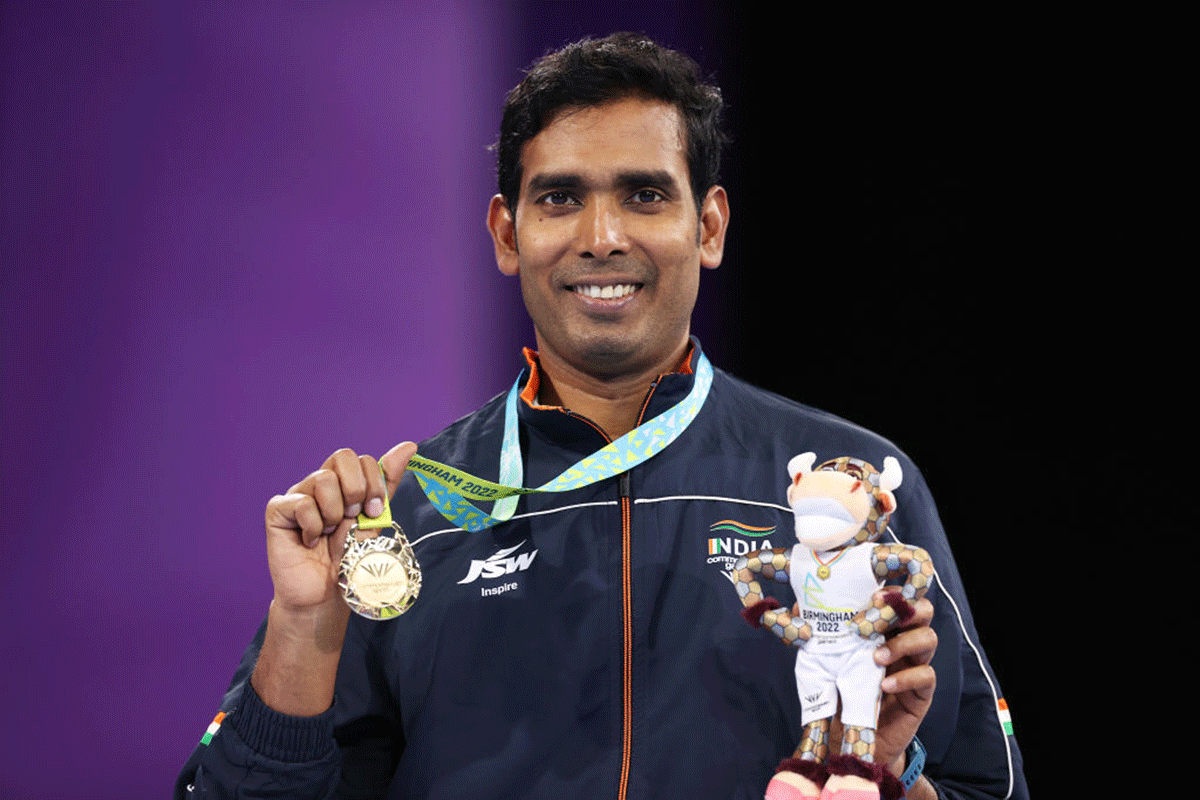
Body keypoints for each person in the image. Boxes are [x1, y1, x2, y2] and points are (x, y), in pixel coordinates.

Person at [177, 33, 1028, 800]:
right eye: (558, 199)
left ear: (711, 225)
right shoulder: (403, 523)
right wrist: (304, 630)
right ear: (507, 235)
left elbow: (983, 789)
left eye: (646, 195)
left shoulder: (854, 486)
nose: (602, 236)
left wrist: (884, 779)